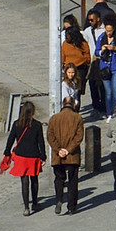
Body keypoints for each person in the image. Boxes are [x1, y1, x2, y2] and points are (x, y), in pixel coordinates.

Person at [46, 87, 85, 216]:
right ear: (73, 104)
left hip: (58, 156)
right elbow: (79, 137)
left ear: (62, 104)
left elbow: (50, 136)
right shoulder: (77, 118)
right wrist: (68, 150)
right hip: (72, 156)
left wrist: (59, 150)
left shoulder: (54, 119)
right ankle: (71, 207)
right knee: (72, 180)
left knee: (59, 179)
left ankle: (58, 200)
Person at [7, 99, 46, 215]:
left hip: (21, 156)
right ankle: (35, 203)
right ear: (33, 112)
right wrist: (43, 156)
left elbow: (10, 140)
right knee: (34, 180)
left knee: (24, 181)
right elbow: (41, 142)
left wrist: (7, 152)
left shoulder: (16, 124)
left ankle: (26, 207)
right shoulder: (37, 125)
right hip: (33, 155)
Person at [94, 25, 116, 121]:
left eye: (110, 30)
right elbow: (96, 52)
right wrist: (102, 50)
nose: (108, 32)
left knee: (115, 92)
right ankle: (109, 113)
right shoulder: (101, 38)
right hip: (105, 67)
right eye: (107, 30)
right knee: (108, 92)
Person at [60, 16, 92, 102]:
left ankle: (76, 107)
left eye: (68, 35)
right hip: (68, 68)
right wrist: (62, 67)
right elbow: (62, 56)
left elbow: (87, 56)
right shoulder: (65, 44)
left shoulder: (82, 44)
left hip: (80, 69)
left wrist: (84, 62)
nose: (66, 37)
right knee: (68, 88)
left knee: (77, 91)